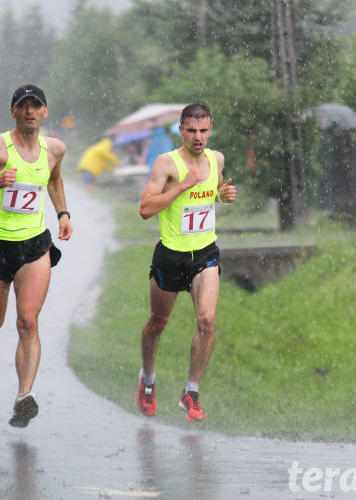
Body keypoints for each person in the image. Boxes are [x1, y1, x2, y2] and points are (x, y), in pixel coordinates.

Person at [0, 84, 73, 428]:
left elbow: (54, 180)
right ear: (14, 112)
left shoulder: (56, 149)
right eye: (24, 106)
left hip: (35, 246)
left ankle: (24, 396)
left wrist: (63, 213)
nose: (30, 111)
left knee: (28, 321)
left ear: (45, 113)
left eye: (37, 106)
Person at [136, 103, 237, 421]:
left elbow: (213, 192)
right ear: (181, 130)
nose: (198, 137)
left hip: (205, 253)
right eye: (192, 130)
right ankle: (147, 380)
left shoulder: (215, 159)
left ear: (210, 130)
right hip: (171, 255)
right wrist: (181, 186)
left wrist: (223, 195)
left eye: (204, 130)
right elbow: (145, 209)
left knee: (207, 321)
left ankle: (191, 392)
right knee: (157, 323)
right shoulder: (167, 163)